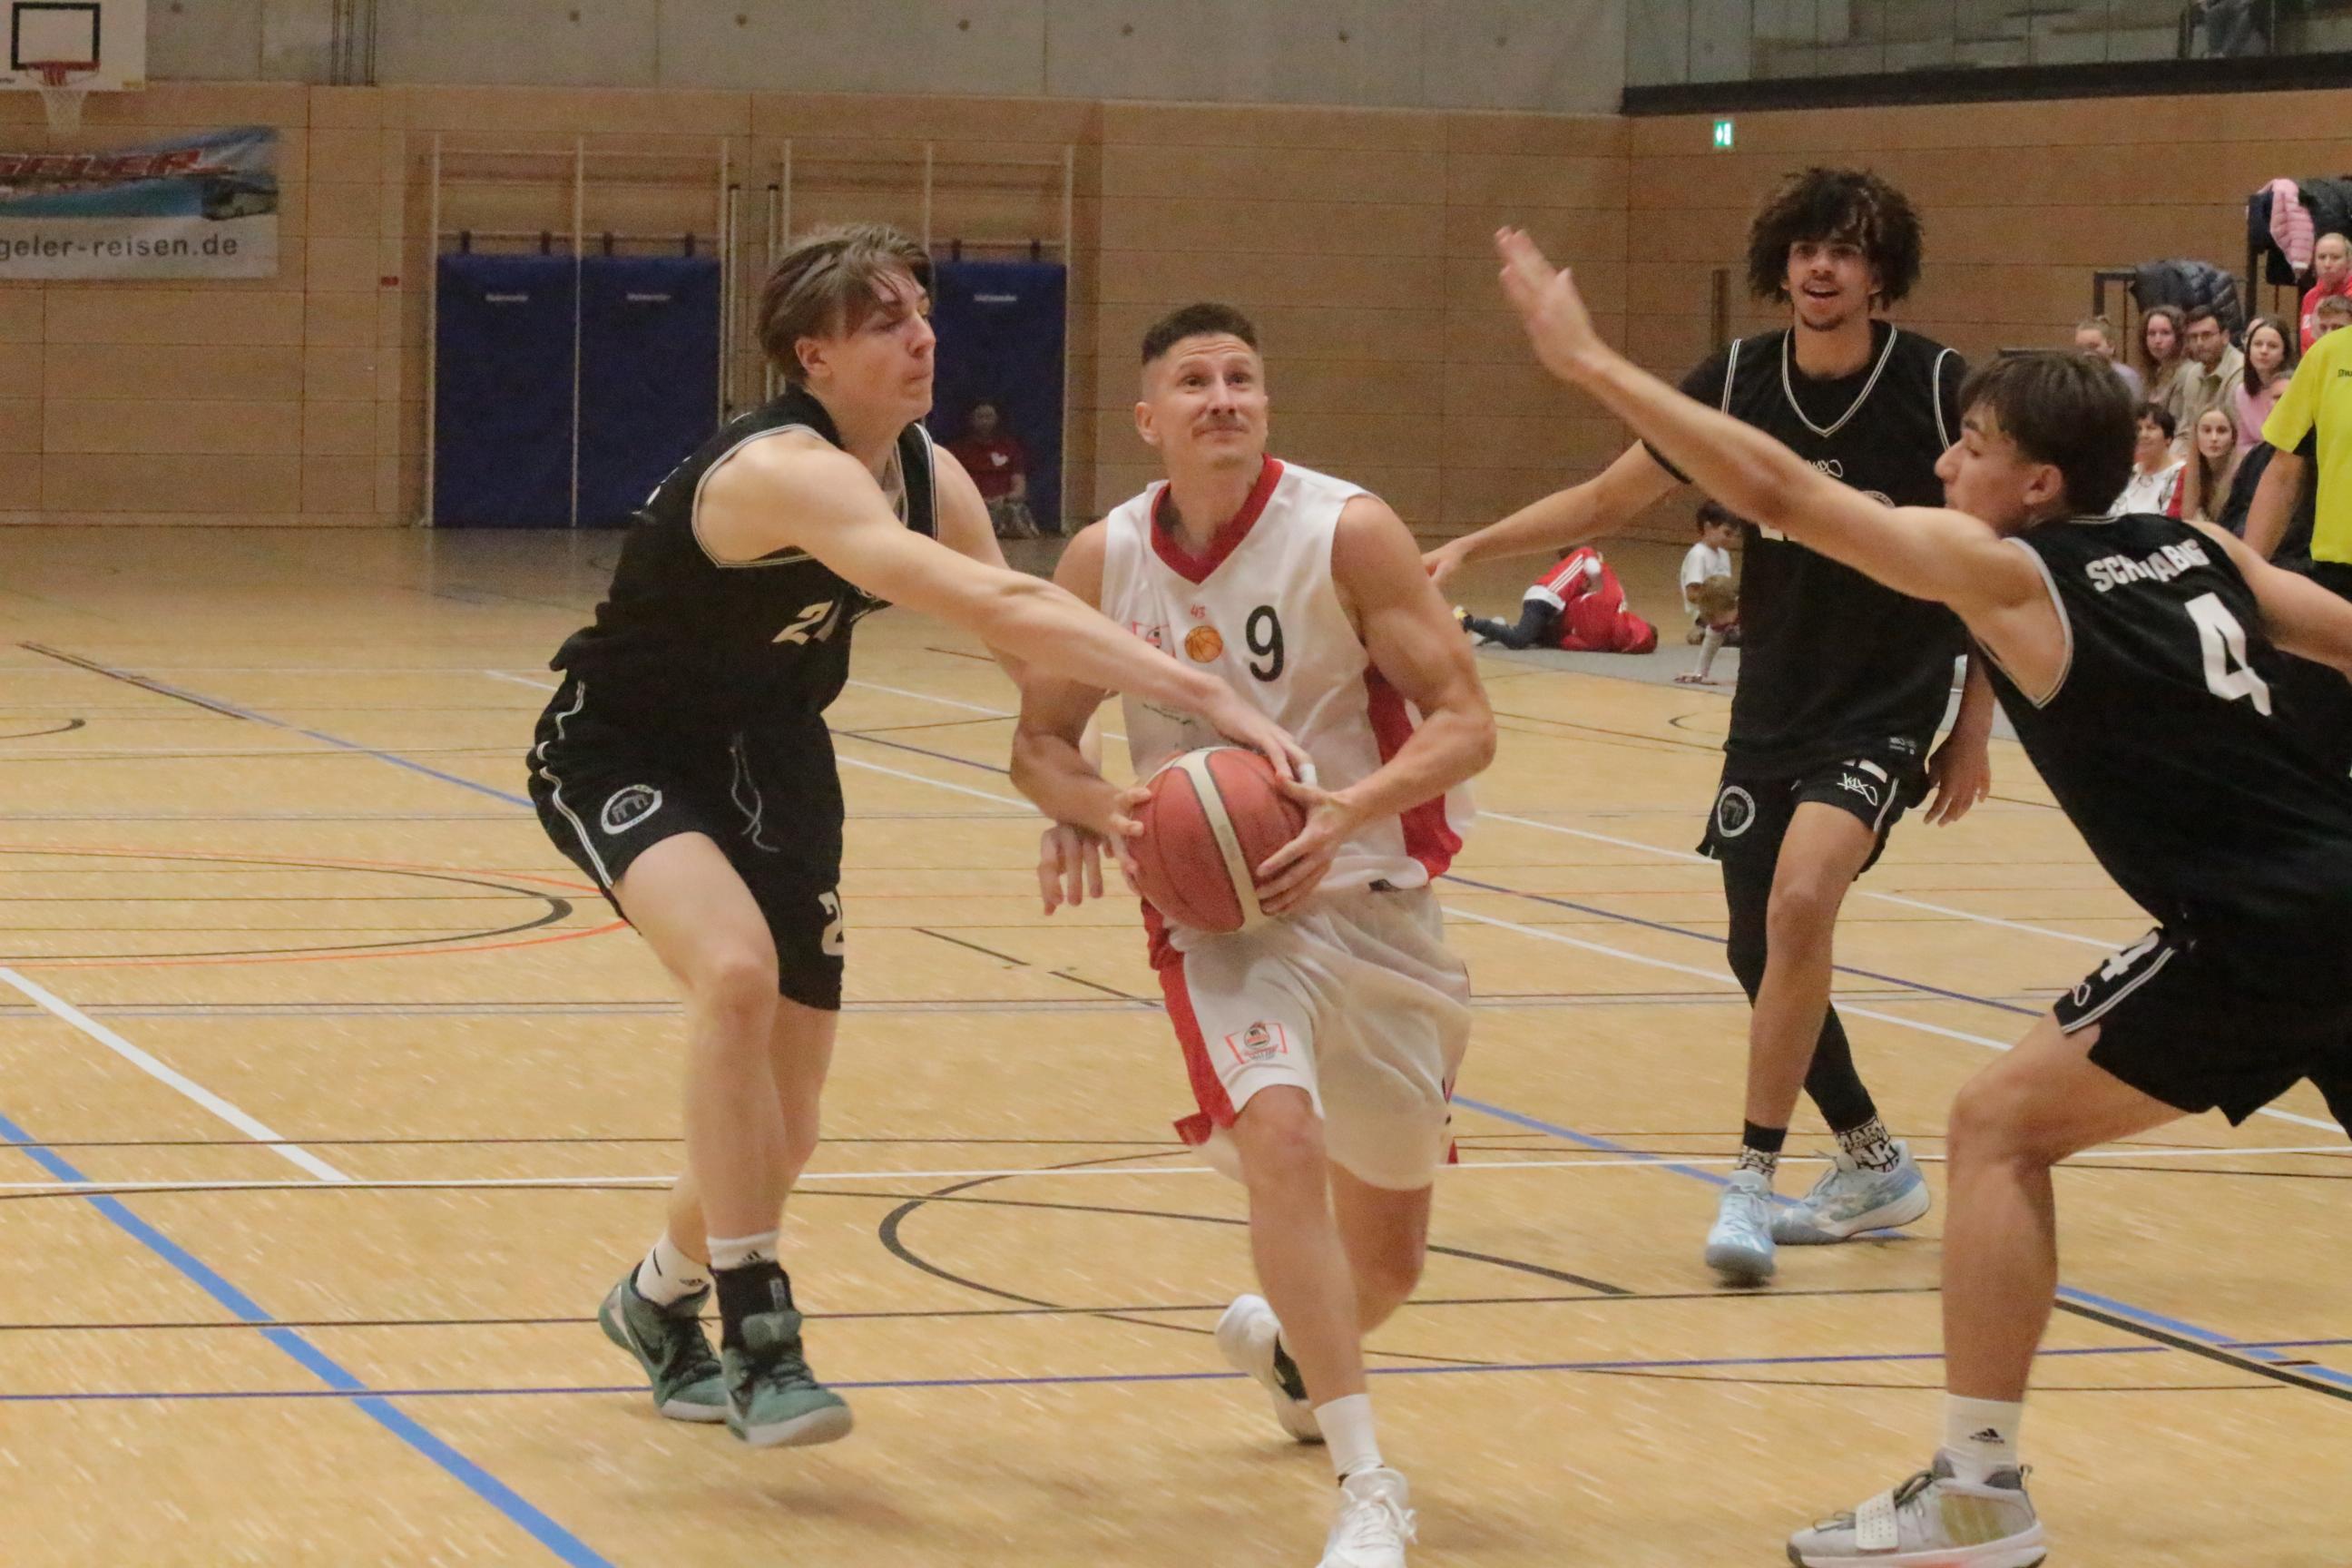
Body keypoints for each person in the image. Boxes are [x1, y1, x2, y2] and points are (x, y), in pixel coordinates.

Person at [1491, 226, 2352, 1568]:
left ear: (2037, 482)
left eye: (1972, 448)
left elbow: (1780, 491)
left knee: (1996, 1128)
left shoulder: (2015, 574)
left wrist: (1594, 361)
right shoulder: (2199, 551)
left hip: (2264, 932)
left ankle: (1977, 1494)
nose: (1944, 464)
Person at [528, 226, 1302, 1451]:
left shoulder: (925, 471)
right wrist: (1201, 688)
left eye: (922, 314)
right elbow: (996, 595)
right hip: (627, 749)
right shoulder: (784, 469)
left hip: (777, 760)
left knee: (786, 1128)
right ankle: (759, 1328)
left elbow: (1021, 646)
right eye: (886, 321)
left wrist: (1069, 772)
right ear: (814, 355)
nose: (922, 337)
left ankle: (655, 1299)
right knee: (735, 971)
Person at [1424, 168, 1996, 1285]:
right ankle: (1873, 1159)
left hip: (1886, 704)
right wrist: (1469, 548)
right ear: (1782, 264)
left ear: (1881, 271)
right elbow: (1606, 501)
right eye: (1806, 249)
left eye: (1845, 250)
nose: (1822, 267)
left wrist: (1971, 722)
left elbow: (1994, 561)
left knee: (1800, 900)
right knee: (1756, 946)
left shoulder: (1935, 389)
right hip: (1774, 701)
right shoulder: (1736, 381)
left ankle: (1750, 1178)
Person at [1011, 301, 1494, 1568]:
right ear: (1148, 419)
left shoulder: (1348, 531)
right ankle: (1369, 1483)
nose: (1223, 397)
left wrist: (1352, 809)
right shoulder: (1105, 557)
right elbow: (1040, 739)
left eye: (1241, 378)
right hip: (1220, 921)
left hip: (1376, 904)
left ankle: (1289, 1348)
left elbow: (1467, 722)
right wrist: (1096, 808)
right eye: (1195, 381)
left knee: (1386, 1269)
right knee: (1280, 1135)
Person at [1458, 545, 1660, 652]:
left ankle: (1498, 628)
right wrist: (1599, 563)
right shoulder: (1587, 557)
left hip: (1552, 605)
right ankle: (1466, 620)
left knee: (1532, 636)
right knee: (1519, 640)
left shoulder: (1596, 590)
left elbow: (1571, 641)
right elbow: (1598, 571)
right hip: (1545, 598)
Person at [946, 399, 1040, 538]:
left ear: (997, 419)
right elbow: (951, 487)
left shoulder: (1010, 448)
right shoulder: (958, 450)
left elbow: (1019, 489)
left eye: (989, 417)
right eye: (980, 417)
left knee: (1015, 511)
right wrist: (978, 500)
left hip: (1003, 506)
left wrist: (1002, 499)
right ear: (970, 419)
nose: (985, 422)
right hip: (971, 505)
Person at [2161, 305, 2245, 451]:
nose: (2199, 343)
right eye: (2193, 337)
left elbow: (2236, 436)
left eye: (2206, 335)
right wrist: (2174, 461)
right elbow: (2186, 432)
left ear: (2225, 337)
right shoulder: (2194, 373)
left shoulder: (2241, 371)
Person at [2231, 314, 2295, 455]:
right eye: (2258, 344)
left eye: (2272, 346)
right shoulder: (2242, 392)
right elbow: (2243, 444)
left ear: (2284, 354)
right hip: (2256, 461)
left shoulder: (2291, 388)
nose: (2264, 351)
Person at [1681, 501, 1741, 641]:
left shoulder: (1724, 554)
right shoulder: (1698, 555)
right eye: (1727, 533)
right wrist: (1716, 599)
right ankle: (1704, 629)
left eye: (1734, 536)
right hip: (1707, 613)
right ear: (1708, 528)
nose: (1731, 540)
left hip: (1725, 610)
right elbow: (1692, 594)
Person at [2109, 405, 2183, 516]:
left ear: (2168, 438)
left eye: (2151, 428)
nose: (2143, 435)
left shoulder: (2179, 474)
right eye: (2138, 429)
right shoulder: (2130, 472)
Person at [2177, 407, 2243, 524]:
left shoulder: (2244, 473)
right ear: (2195, 437)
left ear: (2233, 437)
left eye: (2221, 431)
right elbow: (2184, 519)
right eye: (2207, 431)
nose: (2214, 438)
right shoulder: (2185, 472)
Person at [2299, 230, 2352, 351]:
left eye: (2335, 257)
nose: (2327, 264)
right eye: (2322, 257)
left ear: (2349, 262)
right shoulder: (2310, 297)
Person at [2071, 315, 2142, 400]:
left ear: (2111, 346)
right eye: (2080, 348)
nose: (2086, 353)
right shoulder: (2072, 377)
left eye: (2093, 346)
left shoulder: (2125, 377)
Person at [2138, 304, 2186, 407]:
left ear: (2179, 337)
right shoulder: (2153, 373)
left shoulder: (2186, 374)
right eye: (2152, 333)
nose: (2157, 340)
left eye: (2165, 333)